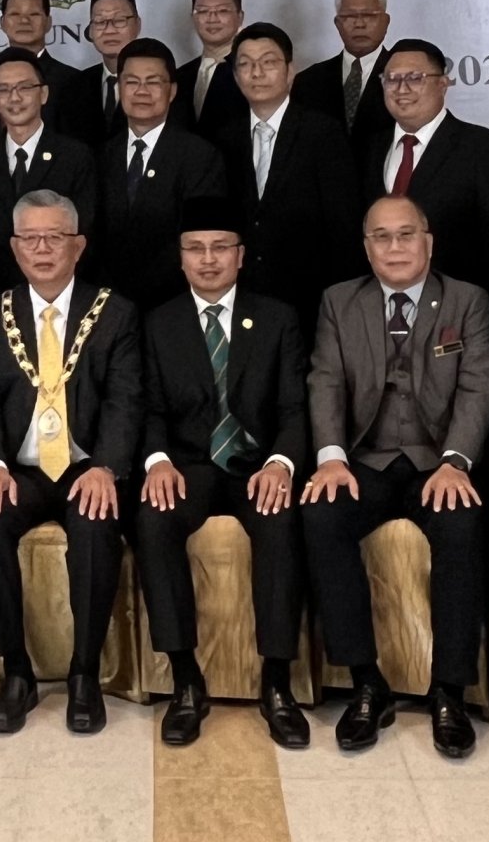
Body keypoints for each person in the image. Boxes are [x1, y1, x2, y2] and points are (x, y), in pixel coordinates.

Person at [301, 193, 489, 757]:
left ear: (428, 241)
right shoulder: (340, 301)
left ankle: (450, 690)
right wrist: (332, 457)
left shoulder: (467, 300)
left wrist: (458, 460)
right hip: (367, 461)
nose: (395, 247)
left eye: (405, 234)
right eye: (381, 237)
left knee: (461, 525)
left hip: (439, 465)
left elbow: (479, 386)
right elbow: (326, 380)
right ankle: (367, 682)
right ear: (366, 247)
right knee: (320, 514)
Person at [0, 191, 145, 737]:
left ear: (78, 245)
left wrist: (107, 466)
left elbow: (124, 397)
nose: (44, 249)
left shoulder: (114, 311)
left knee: (94, 525)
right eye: (32, 238)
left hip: (85, 466)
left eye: (56, 237)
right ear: (16, 248)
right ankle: (15, 672)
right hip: (19, 469)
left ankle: (85, 672)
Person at [133, 199, 309, 750]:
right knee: (153, 519)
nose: (207, 260)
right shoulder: (158, 322)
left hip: (256, 466)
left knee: (281, 522)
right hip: (189, 465)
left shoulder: (278, 317)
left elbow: (295, 410)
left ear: (240, 256)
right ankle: (187, 680)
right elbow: (149, 409)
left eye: (219, 248)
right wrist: (157, 461)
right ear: (181, 259)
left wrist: (282, 463)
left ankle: (276, 682)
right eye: (195, 249)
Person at [356, 39, 489, 302]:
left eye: (415, 78)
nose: (401, 89)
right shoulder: (366, 151)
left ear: (442, 84)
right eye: (391, 79)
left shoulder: (484, 148)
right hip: (378, 314)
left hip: (461, 314)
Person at [219, 22, 362, 330]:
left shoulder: (323, 133)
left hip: (309, 301)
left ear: (290, 71)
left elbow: (343, 225)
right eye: (245, 64)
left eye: (268, 62)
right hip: (240, 301)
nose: (256, 73)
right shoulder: (223, 139)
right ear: (235, 75)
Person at [93, 39, 227, 309]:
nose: (141, 91)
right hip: (107, 304)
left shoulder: (199, 155)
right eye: (132, 82)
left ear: (172, 91)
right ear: (119, 88)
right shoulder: (99, 156)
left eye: (153, 82)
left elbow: (198, 236)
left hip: (175, 303)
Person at [0, 47, 97, 297]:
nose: (14, 98)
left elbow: (84, 232)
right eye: (4, 89)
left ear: (43, 93)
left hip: (61, 296)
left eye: (24, 88)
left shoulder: (75, 156)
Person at [292, 0, 395, 156]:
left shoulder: (405, 78)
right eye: (349, 16)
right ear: (338, 23)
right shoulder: (308, 81)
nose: (360, 24)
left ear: (385, 21)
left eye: (369, 15)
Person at [0, 0, 81, 122]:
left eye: (34, 14)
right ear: (2, 23)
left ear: (48, 22)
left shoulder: (74, 82)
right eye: (15, 14)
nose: (24, 21)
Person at [65, 0, 146, 147]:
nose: (109, 30)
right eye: (100, 21)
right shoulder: (74, 86)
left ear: (137, 24)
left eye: (119, 20)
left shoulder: (158, 83)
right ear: (91, 30)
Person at [178, 0, 250, 140]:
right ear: (192, 18)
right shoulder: (179, 76)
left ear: (240, 17)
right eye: (202, 11)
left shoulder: (252, 72)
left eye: (222, 10)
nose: (212, 19)